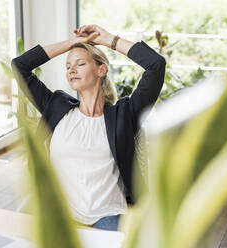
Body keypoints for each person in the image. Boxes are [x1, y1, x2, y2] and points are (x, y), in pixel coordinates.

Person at [11, 24, 166, 231]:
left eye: (80, 64)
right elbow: (19, 66)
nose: (71, 70)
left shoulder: (124, 115)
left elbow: (156, 65)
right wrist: (71, 43)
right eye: (67, 66)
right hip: (61, 216)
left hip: (107, 215)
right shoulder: (56, 106)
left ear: (101, 70)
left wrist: (110, 40)